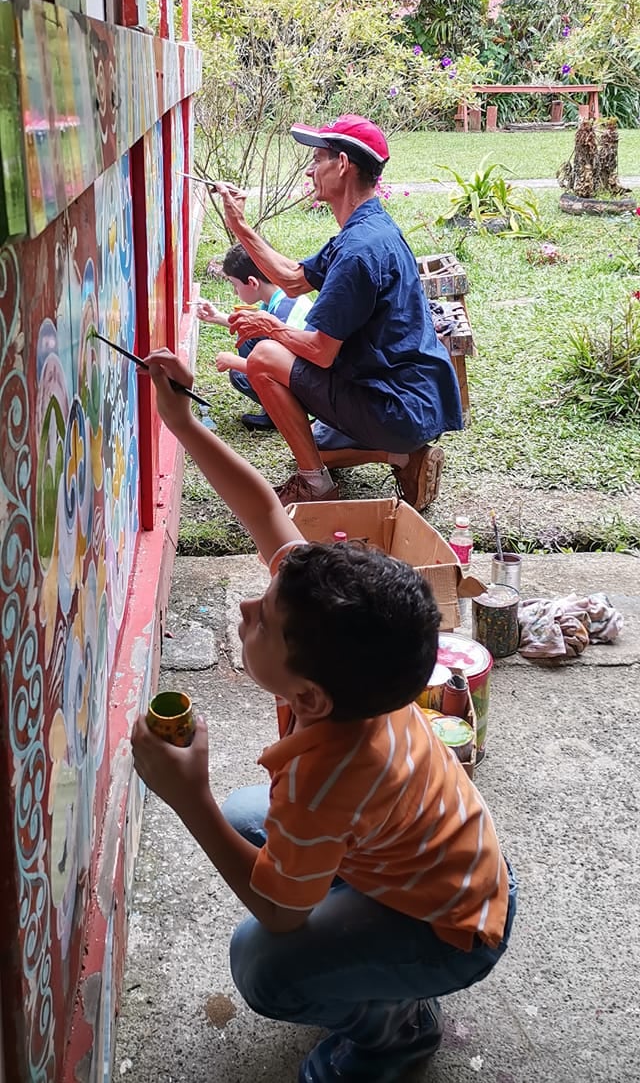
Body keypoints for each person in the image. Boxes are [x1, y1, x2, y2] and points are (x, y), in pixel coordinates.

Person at [132, 348, 516, 1083]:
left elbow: (277, 911)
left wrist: (187, 796)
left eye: (263, 622)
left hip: (451, 929)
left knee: (263, 963)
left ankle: (397, 1031)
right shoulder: (347, 649)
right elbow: (262, 509)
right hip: (449, 864)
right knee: (255, 817)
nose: (248, 604)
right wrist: (180, 421)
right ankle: (365, 932)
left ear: (309, 698)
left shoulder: (329, 768)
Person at [214, 114, 463, 508]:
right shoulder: (369, 226)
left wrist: (270, 326)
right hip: (409, 401)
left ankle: (317, 482)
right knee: (310, 430)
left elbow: (319, 350)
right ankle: (399, 456)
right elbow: (293, 278)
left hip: (396, 408)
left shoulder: (359, 251)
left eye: (317, 160)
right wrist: (240, 224)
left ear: (343, 165)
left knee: (263, 358)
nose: (311, 171)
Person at [196, 243, 312, 432]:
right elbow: (252, 326)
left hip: (308, 387)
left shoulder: (281, 315)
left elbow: (284, 368)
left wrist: (232, 361)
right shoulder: (281, 295)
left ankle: (287, 414)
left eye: (235, 285)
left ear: (252, 282)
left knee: (240, 375)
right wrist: (216, 316)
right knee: (250, 338)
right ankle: (276, 408)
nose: (234, 291)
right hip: (303, 371)